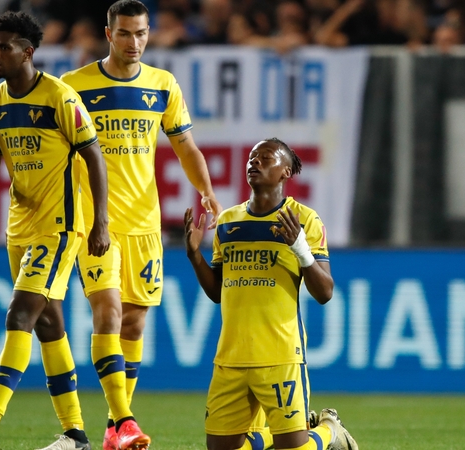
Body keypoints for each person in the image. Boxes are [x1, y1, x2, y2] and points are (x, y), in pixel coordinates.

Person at [60, 1, 225, 449]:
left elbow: (186, 147)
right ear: (108, 34)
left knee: (133, 324)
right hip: (97, 224)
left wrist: (207, 190)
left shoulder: (162, 85)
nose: (135, 43)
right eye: (126, 34)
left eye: (142, 34)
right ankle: (125, 420)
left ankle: (115, 432)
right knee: (108, 313)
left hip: (146, 225)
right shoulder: (74, 88)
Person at [0, 10, 110, 450]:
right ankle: (76, 434)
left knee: (19, 314)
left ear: (28, 52)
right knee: (49, 327)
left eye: (3, 47)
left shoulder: (60, 97)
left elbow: (95, 157)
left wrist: (100, 222)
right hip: (18, 227)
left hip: (60, 226)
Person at [184, 138, 359, 450]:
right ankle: (301, 432)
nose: (255, 162)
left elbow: (325, 293)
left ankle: (330, 429)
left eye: (266, 158)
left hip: (280, 356)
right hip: (231, 358)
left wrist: (300, 249)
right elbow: (216, 293)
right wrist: (195, 256)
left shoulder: (303, 220)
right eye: (252, 157)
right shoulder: (227, 223)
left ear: (286, 172)